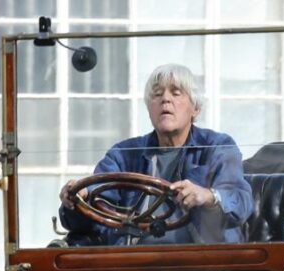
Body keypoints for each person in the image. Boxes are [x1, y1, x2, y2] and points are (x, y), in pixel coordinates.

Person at [58, 63, 253, 244]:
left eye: (176, 93)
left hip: (200, 261)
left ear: (196, 109)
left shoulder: (217, 147)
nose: (165, 99)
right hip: (131, 260)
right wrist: (77, 199)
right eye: (157, 94)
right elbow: (93, 207)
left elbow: (241, 202)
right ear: (149, 108)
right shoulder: (123, 155)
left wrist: (208, 196)